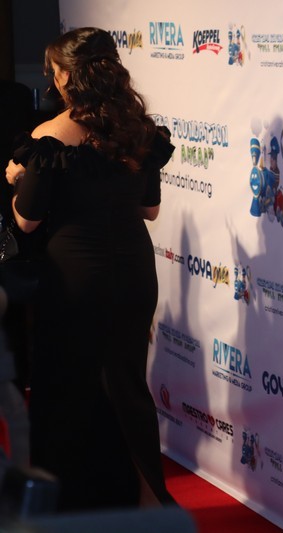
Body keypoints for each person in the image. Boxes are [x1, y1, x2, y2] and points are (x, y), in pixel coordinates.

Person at [3, 27, 175, 511]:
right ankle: (146, 501)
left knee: (69, 387)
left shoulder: (50, 136)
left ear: (65, 76)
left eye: (52, 71)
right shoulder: (140, 130)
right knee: (125, 383)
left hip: (75, 278)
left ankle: (76, 504)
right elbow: (149, 210)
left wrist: (17, 178)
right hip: (133, 273)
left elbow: (27, 220)